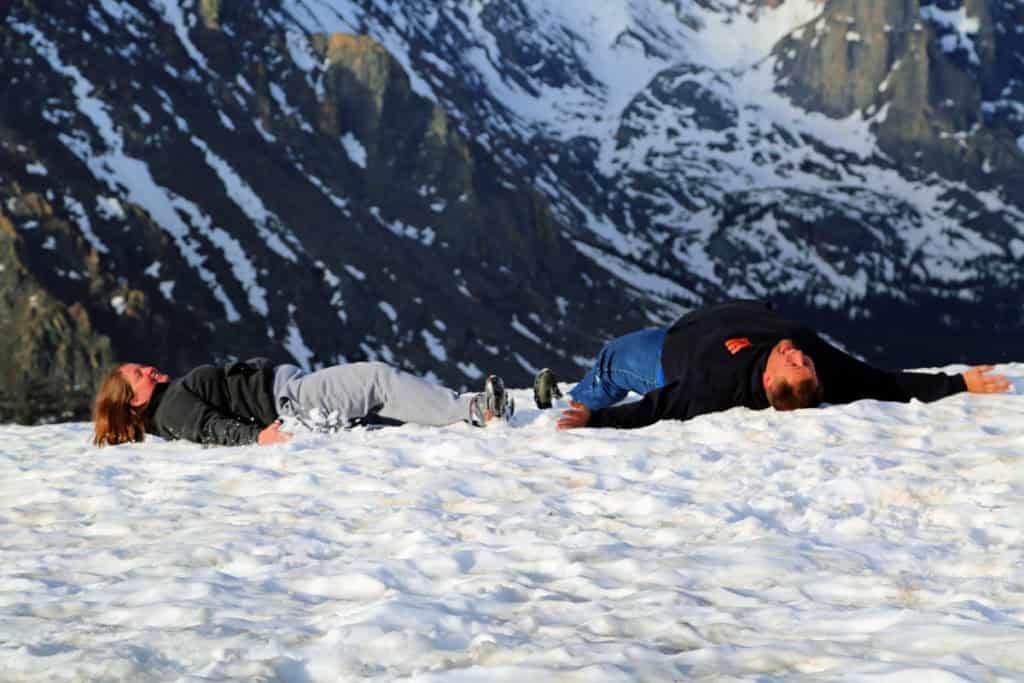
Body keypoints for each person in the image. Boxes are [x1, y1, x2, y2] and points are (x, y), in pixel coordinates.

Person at [534, 300, 1010, 430]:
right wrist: (959, 382)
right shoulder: (822, 370)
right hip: (703, 322)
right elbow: (884, 383)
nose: (798, 354)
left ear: (766, 379)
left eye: (793, 363)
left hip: (666, 355)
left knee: (614, 359)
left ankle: (572, 404)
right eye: (804, 362)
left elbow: (659, 407)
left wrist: (596, 419)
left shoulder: (717, 384)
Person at [93, 358, 513, 447]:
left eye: (143, 367)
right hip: (292, 400)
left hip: (290, 391)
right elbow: (209, 427)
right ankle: (473, 409)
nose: (149, 369)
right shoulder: (171, 409)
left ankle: (464, 413)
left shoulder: (169, 399)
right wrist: (258, 438)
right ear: (131, 402)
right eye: (138, 375)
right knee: (375, 379)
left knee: (386, 407)